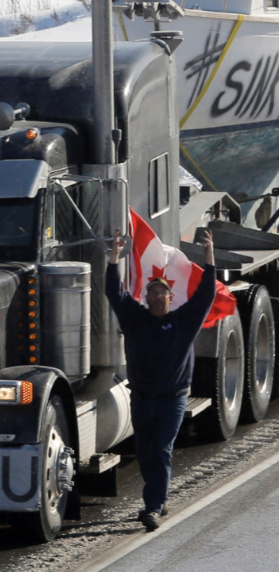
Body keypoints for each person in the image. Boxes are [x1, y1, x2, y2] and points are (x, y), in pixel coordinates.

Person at [106, 228, 216, 532]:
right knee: (145, 453)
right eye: (151, 292)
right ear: (146, 297)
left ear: (171, 296)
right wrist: (114, 257)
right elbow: (114, 292)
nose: (156, 297)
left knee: (161, 450)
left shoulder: (184, 321)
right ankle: (160, 496)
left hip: (172, 400)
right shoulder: (134, 319)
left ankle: (152, 507)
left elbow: (206, 294)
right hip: (141, 400)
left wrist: (209, 257)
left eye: (162, 293)